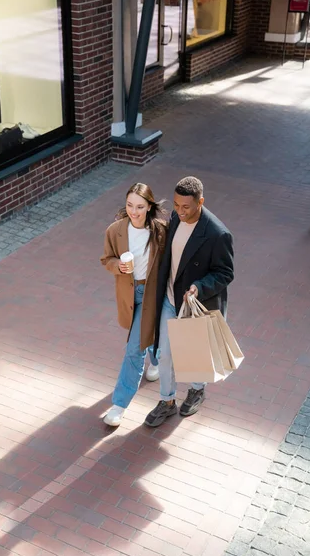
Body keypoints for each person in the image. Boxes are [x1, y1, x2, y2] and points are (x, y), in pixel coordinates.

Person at [144, 176, 234, 427]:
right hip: (170, 299)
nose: (180, 212)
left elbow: (226, 273)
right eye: (176, 205)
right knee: (166, 355)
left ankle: (197, 389)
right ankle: (167, 401)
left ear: (200, 202)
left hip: (195, 303)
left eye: (186, 207)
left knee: (194, 354)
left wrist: (199, 287)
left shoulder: (217, 234)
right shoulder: (175, 218)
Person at [100, 183, 167, 426]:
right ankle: (157, 359)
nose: (134, 211)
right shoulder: (115, 230)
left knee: (133, 350)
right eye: (130, 205)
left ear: (149, 207)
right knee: (144, 337)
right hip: (129, 295)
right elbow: (106, 259)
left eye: (140, 206)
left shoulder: (161, 231)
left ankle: (119, 405)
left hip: (152, 294)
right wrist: (118, 265)